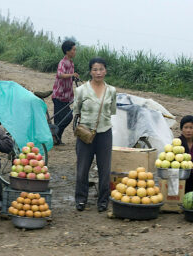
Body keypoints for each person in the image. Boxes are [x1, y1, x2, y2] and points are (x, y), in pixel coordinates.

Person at [73, 57, 116, 212]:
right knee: (83, 167)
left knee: (105, 169)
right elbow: (76, 111)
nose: (98, 72)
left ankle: (103, 201)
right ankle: (80, 199)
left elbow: (111, 112)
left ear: (105, 70)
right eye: (95, 69)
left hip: (105, 133)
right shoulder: (81, 90)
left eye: (101, 69)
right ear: (90, 71)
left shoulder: (111, 91)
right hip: (85, 134)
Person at [52, 40, 79, 145]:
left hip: (67, 96)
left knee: (61, 118)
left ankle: (57, 138)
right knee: (66, 117)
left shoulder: (71, 63)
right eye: (73, 49)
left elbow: (67, 76)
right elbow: (60, 74)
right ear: (67, 51)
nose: (75, 51)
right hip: (59, 95)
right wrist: (72, 75)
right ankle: (54, 136)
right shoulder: (63, 62)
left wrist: (73, 77)